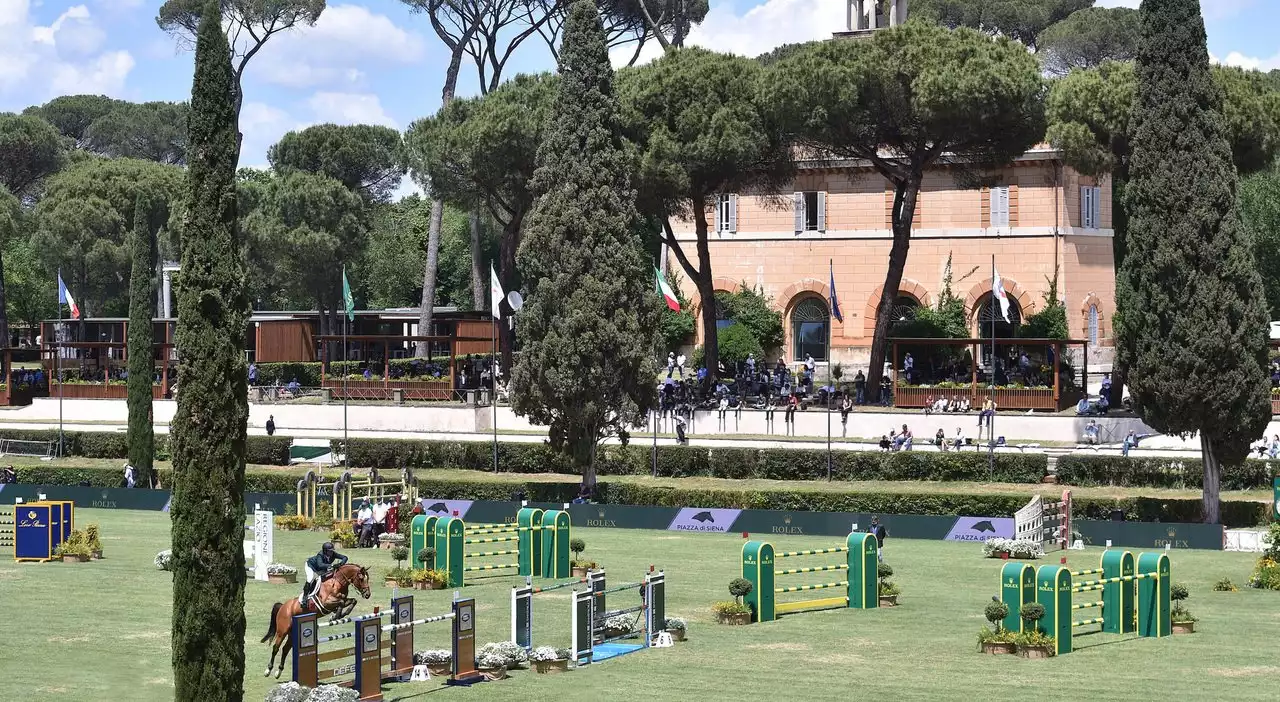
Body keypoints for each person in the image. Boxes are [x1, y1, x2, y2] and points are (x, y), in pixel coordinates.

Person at [301, 542, 349, 610]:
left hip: (321, 569)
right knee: (310, 578)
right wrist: (332, 565)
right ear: (325, 551)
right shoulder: (320, 555)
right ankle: (304, 598)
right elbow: (320, 565)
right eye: (329, 551)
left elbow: (345, 557)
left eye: (332, 551)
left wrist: (341, 564)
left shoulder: (333, 554)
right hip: (311, 567)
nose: (331, 552)